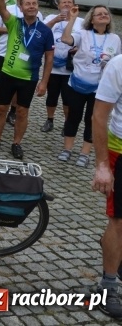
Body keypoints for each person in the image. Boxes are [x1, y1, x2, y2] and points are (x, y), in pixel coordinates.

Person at [0, 0, 54, 159]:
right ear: (20, 7)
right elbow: (1, 8)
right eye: (27, 4)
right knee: (0, 109)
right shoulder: (14, 23)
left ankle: (16, 143)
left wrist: (44, 82)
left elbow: (49, 58)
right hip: (7, 74)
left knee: (22, 112)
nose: (31, 6)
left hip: (28, 78)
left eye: (34, 3)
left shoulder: (45, 30)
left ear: (37, 7)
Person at [57, 5, 121, 167]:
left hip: (99, 88)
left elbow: (116, 63)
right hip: (78, 84)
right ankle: (67, 149)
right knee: (73, 117)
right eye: (98, 14)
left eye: (105, 14)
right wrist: (72, 19)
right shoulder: (83, 34)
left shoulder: (115, 38)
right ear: (91, 20)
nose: (103, 16)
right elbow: (66, 39)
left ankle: (85, 153)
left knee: (92, 119)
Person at [90, 54, 122, 318]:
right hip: (120, 152)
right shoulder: (118, 65)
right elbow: (99, 116)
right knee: (119, 221)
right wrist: (102, 165)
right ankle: (108, 285)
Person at [41, 0, 82, 133]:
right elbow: (40, 31)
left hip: (71, 67)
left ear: (74, 6)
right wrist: (54, 21)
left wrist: (78, 48)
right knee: (52, 95)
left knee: (68, 98)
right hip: (52, 66)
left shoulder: (81, 22)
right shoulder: (50, 18)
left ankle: (67, 123)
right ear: (58, 6)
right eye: (63, 2)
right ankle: (49, 119)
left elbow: (87, 40)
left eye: (70, 2)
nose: (66, 4)